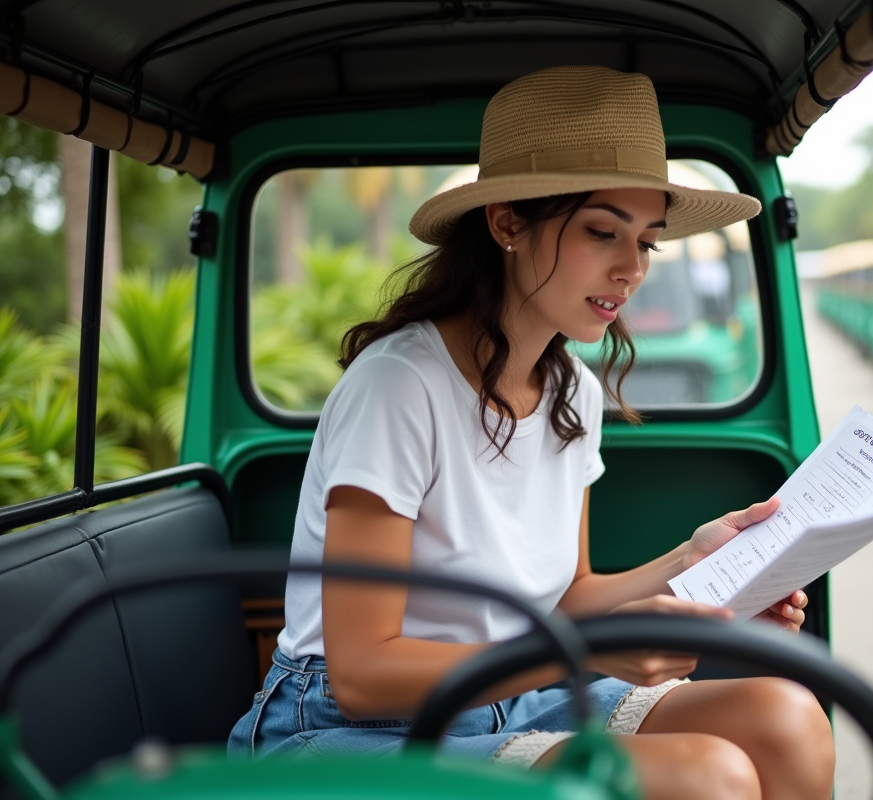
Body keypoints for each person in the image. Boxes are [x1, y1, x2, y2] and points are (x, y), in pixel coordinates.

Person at [228, 65, 835, 800]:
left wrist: (692, 560)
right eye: (602, 231)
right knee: (707, 777)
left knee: (787, 715)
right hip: (353, 730)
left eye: (648, 241)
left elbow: (567, 594)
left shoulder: (569, 390)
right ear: (507, 223)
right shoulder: (399, 385)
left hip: (513, 694)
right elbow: (361, 674)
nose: (631, 268)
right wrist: (590, 652)